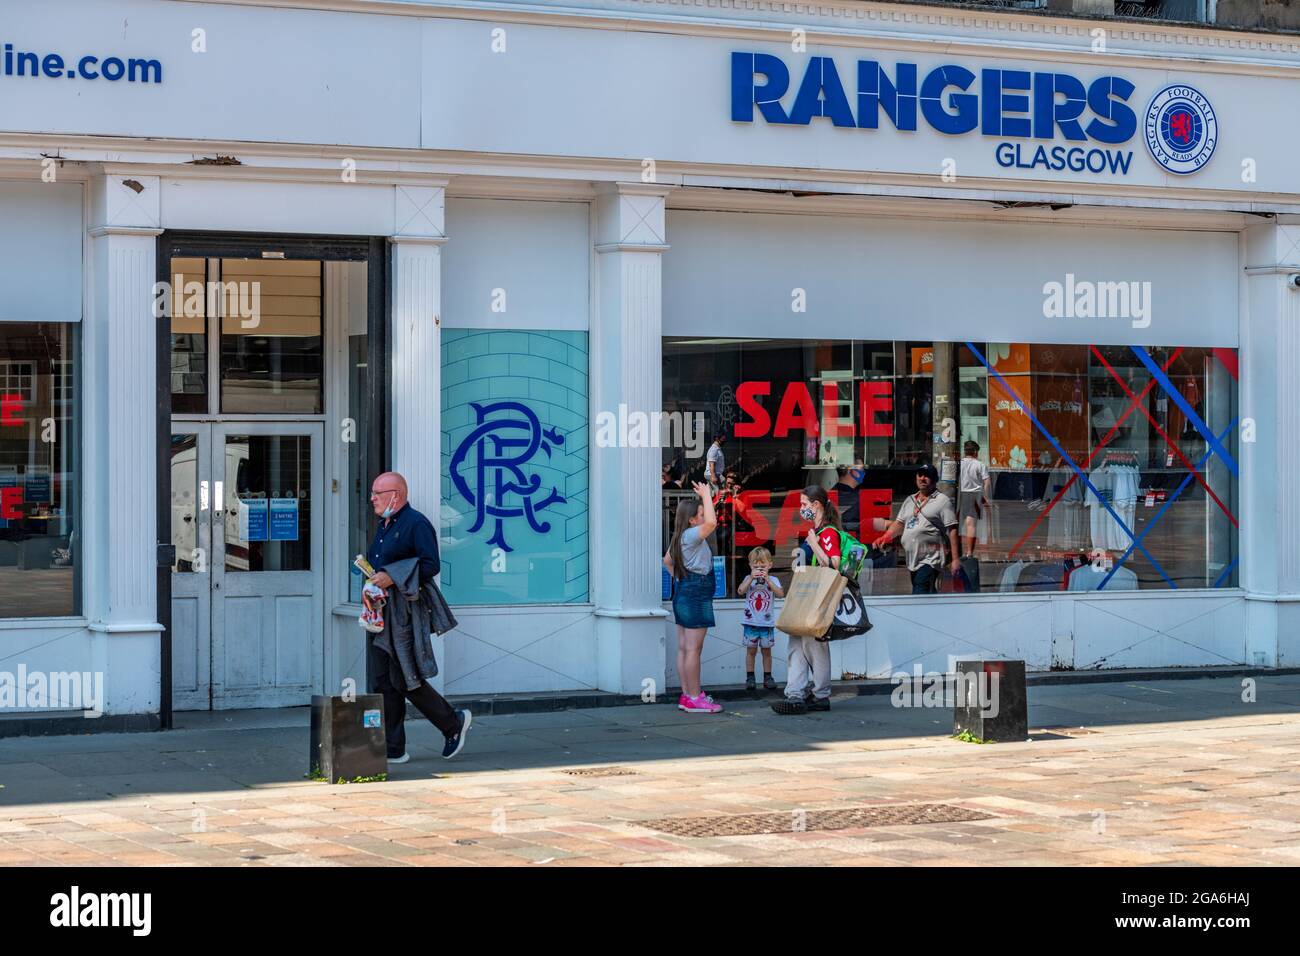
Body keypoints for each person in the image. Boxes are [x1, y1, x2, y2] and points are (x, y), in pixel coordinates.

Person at [366, 471, 471, 762]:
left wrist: (392, 577)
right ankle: (393, 747)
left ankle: (452, 723)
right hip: (380, 611)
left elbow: (430, 565)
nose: (372, 498)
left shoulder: (417, 524)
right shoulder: (383, 525)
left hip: (404, 613)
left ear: (396, 495)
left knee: (404, 677)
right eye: (373, 493)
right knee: (383, 681)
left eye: (377, 492)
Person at [771, 485, 840, 716]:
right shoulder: (816, 532)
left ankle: (820, 694)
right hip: (805, 597)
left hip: (816, 598)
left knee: (814, 646)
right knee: (796, 645)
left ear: (816, 505)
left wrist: (813, 544)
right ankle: (795, 694)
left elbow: (833, 565)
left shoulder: (827, 533)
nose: (802, 509)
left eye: (804, 505)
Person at [663, 481, 723, 714]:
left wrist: (681, 579)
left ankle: (688, 695)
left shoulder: (680, 536)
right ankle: (696, 697)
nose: (704, 515)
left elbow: (667, 561)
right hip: (695, 592)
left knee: (684, 648)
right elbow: (712, 522)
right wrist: (707, 495)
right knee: (693, 649)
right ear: (692, 520)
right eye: (699, 513)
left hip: (685, 591)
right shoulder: (691, 535)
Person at [873, 463, 961, 595]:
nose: (922, 478)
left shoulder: (942, 501)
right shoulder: (910, 500)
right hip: (913, 559)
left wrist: (955, 559)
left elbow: (952, 530)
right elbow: (899, 524)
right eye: (920, 475)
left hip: (931, 558)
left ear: (935, 480)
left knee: (920, 592)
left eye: (927, 476)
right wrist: (886, 536)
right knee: (927, 595)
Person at [737, 546, 783, 692]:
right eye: (756, 566)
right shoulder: (748, 579)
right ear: (750, 566)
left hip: (766, 622)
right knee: (750, 651)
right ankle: (750, 677)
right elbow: (740, 591)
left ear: (770, 565)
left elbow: (780, 594)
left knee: (766, 651)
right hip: (750, 622)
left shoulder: (773, 579)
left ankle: (767, 677)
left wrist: (768, 580)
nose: (759, 569)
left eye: (762, 566)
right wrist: (751, 577)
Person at [957, 441, 991, 557]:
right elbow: (987, 481)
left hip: (960, 494)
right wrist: (985, 496)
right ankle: (969, 552)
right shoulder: (980, 464)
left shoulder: (959, 464)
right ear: (975, 452)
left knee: (956, 523)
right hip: (975, 495)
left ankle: (955, 551)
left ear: (965, 451)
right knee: (971, 525)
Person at [831, 460, 866, 536]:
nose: (864, 472)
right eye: (862, 469)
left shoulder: (830, 494)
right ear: (851, 471)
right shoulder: (859, 499)